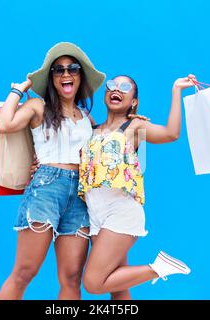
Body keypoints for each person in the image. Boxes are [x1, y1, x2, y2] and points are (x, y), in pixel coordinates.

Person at [0, 42, 104, 300]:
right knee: (24, 271)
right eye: (59, 70)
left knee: (71, 279)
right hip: (46, 189)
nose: (66, 74)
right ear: (52, 78)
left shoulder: (86, 117)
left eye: (73, 69)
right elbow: (4, 125)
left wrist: (131, 121)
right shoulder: (38, 107)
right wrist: (17, 91)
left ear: (80, 77)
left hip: (80, 196)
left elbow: (106, 144)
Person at [78, 74, 196, 295]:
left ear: (134, 101)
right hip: (95, 213)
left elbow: (171, 134)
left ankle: (158, 267)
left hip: (120, 211)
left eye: (125, 87)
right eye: (111, 85)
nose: (116, 89)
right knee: (117, 287)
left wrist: (176, 91)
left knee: (93, 283)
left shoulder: (134, 126)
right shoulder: (91, 129)